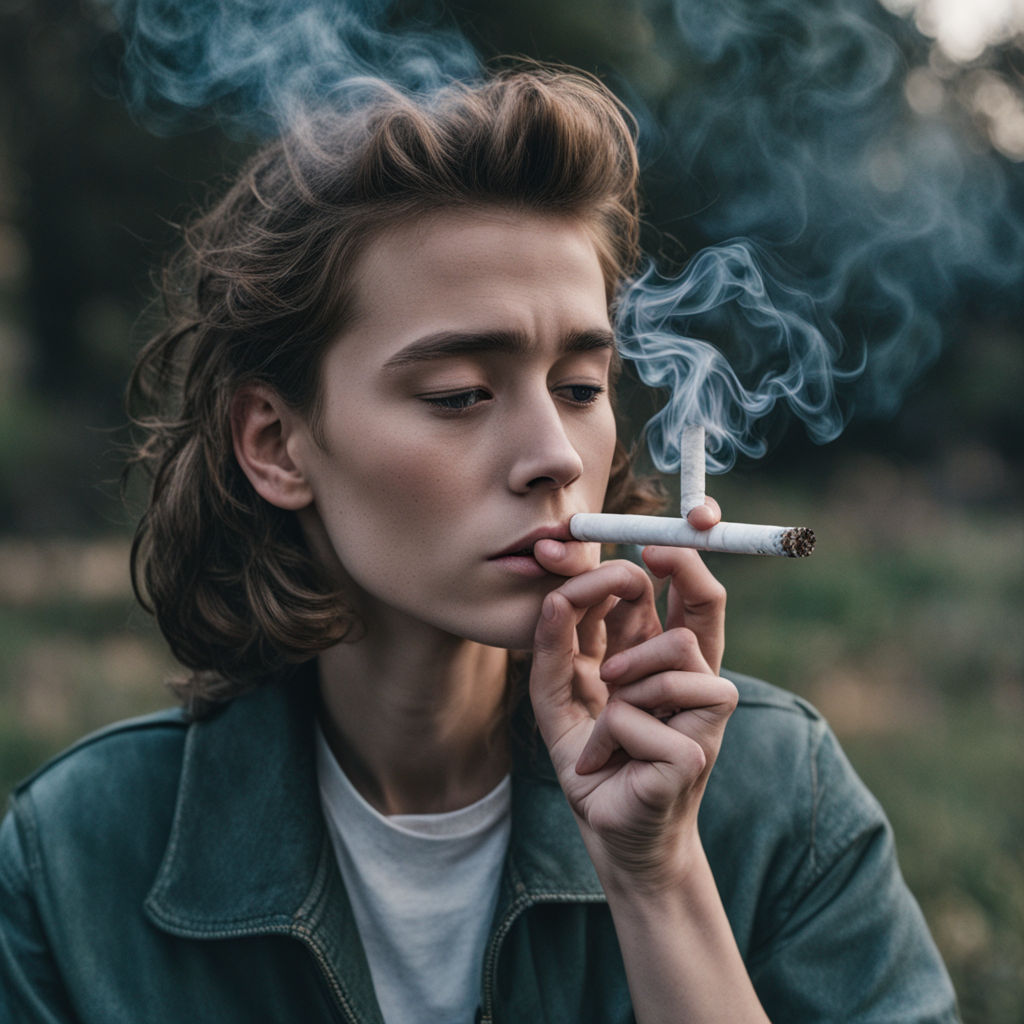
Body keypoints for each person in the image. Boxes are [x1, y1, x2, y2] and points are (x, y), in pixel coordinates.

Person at [0, 64, 958, 1023]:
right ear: (276, 444)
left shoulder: (777, 794)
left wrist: (658, 879)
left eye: (581, 388)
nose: (553, 457)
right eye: (459, 392)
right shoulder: (75, 857)